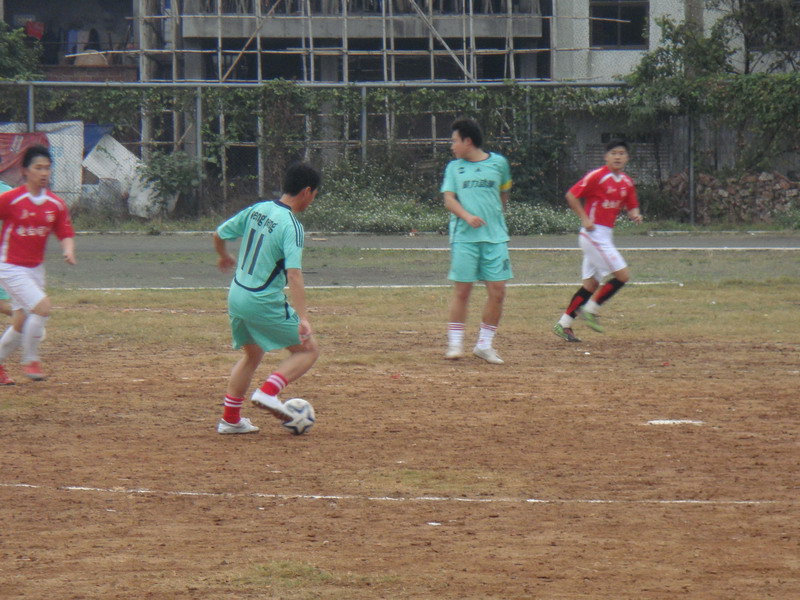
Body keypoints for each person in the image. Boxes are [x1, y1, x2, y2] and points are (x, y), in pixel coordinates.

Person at [213, 162, 322, 434]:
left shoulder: (258, 209)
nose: (312, 200)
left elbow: (219, 233)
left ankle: (230, 420)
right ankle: (269, 392)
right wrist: (303, 318)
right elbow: (294, 274)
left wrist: (224, 256)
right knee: (308, 349)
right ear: (307, 191)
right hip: (260, 300)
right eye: (314, 194)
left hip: (237, 294)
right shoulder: (291, 226)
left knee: (252, 354)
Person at [553, 139, 643, 343]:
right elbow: (571, 195)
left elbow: (632, 206)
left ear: (627, 157)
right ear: (606, 157)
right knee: (622, 275)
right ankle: (591, 309)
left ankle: (564, 324)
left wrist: (635, 215)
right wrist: (584, 218)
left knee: (591, 284)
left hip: (605, 235)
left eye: (621, 153)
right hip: (593, 234)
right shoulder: (597, 176)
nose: (618, 157)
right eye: (614, 153)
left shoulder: (627, 182)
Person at [0, 145, 76, 384]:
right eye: (38, 168)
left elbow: (64, 230)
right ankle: (30, 359)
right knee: (42, 307)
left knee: (22, 321)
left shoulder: (55, 203)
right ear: (25, 171)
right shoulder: (11, 199)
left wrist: (68, 250)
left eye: (47, 168)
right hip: (10, 266)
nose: (44, 173)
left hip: (34, 269)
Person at [441, 118, 513, 365]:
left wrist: (494, 218)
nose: (452, 146)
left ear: (468, 141)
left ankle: (484, 345)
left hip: (495, 239)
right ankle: (455, 344)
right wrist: (467, 216)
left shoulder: (499, 163)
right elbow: (449, 199)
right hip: (464, 239)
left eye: (454, 141)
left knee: (498, 291)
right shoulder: (454, 168)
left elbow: (504, 194)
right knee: (463, 291)